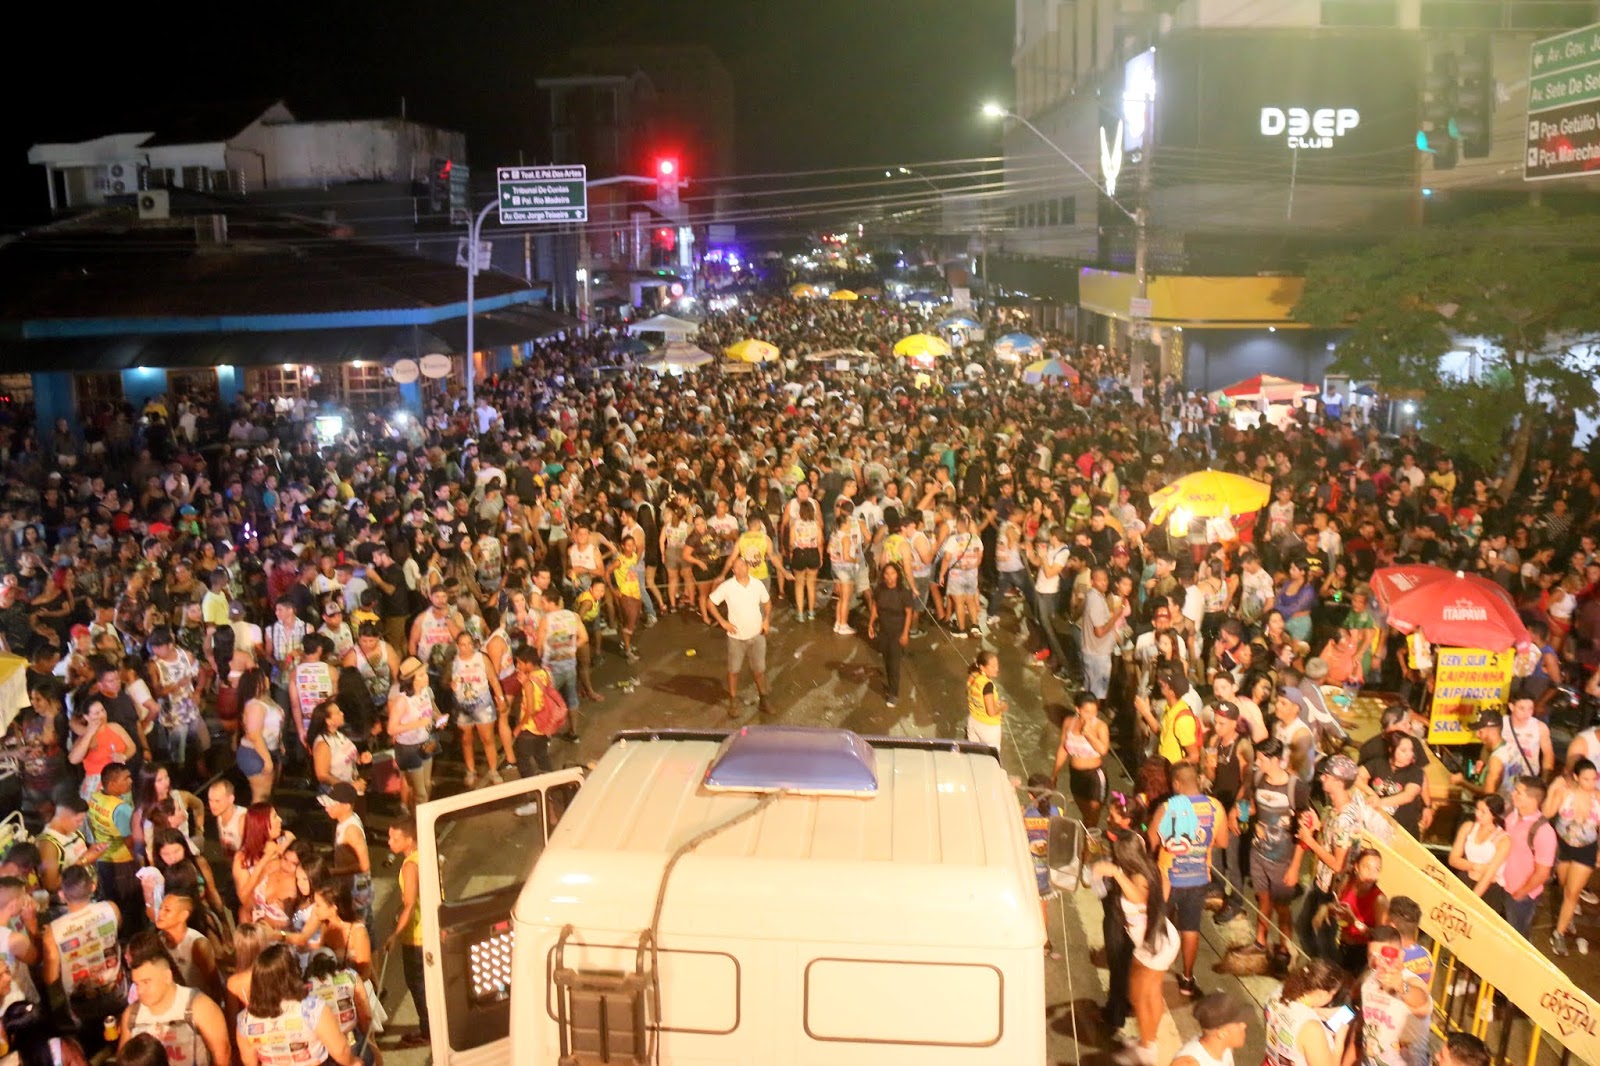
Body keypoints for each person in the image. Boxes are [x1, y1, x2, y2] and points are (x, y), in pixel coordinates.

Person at [1091, 833, 1176, 1066]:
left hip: (1154, 945)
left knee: (1139, 997)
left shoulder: (1136, 876)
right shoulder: (1149, 867)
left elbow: (1139, 897)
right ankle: (1148, 1041)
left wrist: (1116, 874)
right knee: (1151, 993)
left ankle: (1147, 1052)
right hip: (1158, 938)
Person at [1148, 761, 1226, 998]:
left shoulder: (1168, 807)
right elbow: (1223, 842)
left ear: (1176, 783)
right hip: (1199, 878)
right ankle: (1187, 978)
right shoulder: (1215, 807)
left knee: (1158, 924)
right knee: (1191, 928)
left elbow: (1150, 842)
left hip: (1168, 878)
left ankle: (1154, 972)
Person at [42, 865, 125, 1050]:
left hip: (81, 1004)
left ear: (62, 895)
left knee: (91, 1045)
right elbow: (117, 932)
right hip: (116, 991)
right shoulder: (111, 909)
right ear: (93, 887)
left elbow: (50, 978)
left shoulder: (53, 932)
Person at [118, 932, 230, 1066]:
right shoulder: (131, 1015)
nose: (140, 990)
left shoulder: (200, 1007)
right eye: (136, 984)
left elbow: (222, 1053)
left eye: (146, 982)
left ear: (167, 976)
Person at [234, 944, 355, 1066]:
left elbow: (249, 1060)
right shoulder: (313, 1008)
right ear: (292, 974)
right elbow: (341, 1051)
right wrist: (353, 1062)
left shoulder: (244, 1020)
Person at [1247, 737, 1309, 964]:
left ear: (1275, 760)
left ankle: (1284, 948)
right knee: (1263, 899)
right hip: (1258, 852)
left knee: (1282, 907)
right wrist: (1245, 813)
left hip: (1283, 859)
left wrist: (1294, 867)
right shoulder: (1257, 778)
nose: (1257, 763)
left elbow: (1306, 829)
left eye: (1261, 759)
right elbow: (1253, 805)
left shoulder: (1295, 787)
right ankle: (1260, 942)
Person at [381, 819, 429, 1051]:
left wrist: (394, 935)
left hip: (417, 935)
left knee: (418, 984)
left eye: (395, 839)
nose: (390, 842)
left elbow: (410, 904)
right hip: (429, 928)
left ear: (410, 839)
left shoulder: (410, 866)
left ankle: (428, 1031)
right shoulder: (426, 856)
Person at [1544, 757, 1599, 955]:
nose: (1591, 784)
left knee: (1572, 893)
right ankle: (1567, 918)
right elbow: (1547, 812)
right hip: (1563, 847)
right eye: (1586, 779)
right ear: (1576, 777)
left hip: (1586, 849)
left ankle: (1558, 934)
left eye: (1594, 779)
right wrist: (1552, 790)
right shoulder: (1565, 793)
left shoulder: (1598, 797)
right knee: (1564, 885)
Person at [706, 555, 772, 717]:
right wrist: (722, 622)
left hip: (757, 635)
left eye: (743, 565)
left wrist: (766, 620)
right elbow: (710, 602)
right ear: (733, 570)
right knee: (734, 671)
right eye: (736, 567)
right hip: (736, 638)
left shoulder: (757, 584)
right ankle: (733, 702)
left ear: (748, 567)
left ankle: (763, 699)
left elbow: (767, 602)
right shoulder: (727, 586)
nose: (740, 569)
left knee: (759, 671)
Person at [1355, 926, 1431, 1066]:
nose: (1378, 962)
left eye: (1385, 955)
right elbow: (1362, 1029)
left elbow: (1421, 1002)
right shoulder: (1368, 981)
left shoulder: (1412, 982)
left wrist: (1402, 986)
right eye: (1372, 956)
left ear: (1401, 955)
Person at [1492, 775, 1557, 938]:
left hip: (1520, 896)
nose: (1513, 794)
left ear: (1533, 799)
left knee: (1516, 937)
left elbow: (1542, 872)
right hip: (1499, 886)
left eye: (1518, 792)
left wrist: (1520, 894)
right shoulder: (1510, 815)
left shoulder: (1543, 832)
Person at [1262, 958, 1347, 1066]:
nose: (1331, 999)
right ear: (1322, 994)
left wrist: (1317, 1011)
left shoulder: (1278, 993)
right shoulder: (1312, 1029)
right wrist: (1340, 1039)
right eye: (1332, 994)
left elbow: (1289, 1013)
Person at [447, 631, 505, 788]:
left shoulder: (481, 658)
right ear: (457, 646)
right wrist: (452, 685)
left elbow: (493, 679)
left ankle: (493, 770)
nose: (466, 648)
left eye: (469, 644)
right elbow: (447, 682)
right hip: (462, 706)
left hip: (482, 703)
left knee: (487, 739)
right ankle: (470, 770)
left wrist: (500, 698)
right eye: (463, 645)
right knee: (466, 740)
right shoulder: (454, 662)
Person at [386, 657, 444, 811]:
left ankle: (419, 821)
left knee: (426, 785)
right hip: (408, 748)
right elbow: (391, 729)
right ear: (412, 680)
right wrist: (417, 724)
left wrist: (438, 718)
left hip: (425, 741)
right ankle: (418, 827)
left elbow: (429, 712)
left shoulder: (425, 692)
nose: (426, 677)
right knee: (421, 793)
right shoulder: (403, 701)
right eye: (421, 675)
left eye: (425, 673)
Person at [1054, 691, 1110, 828]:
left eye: (1094, 712)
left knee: (1093, 815)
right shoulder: (1069, 722)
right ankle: (1086, 841)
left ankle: (1087, 845)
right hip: (1076, 776)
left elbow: (1103, 750)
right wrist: (1054, 774)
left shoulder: (1100, 726)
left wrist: (1088, 734)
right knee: (1085, 815)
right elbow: (1063, 748)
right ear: (1077, 709)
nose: (1091, 716)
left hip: (1095, 777)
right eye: (1087, 712)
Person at [1357, 732, 1427, 837]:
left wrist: (1380, 802)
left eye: (1411, 750)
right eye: (1404, 750)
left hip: (1403, 829)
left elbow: (1408, 795)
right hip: (1377, 826)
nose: (1410, 754)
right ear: (1391, 749)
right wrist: (1371, 793)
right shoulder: (1378, 763)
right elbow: (1357, 777)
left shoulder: (1415, 772)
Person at [865, 561, 915, 709]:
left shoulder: (904, 593)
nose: (889, 577)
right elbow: (875, 606)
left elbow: (908, 614)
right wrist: (871, 623)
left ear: (898, 575)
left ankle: (894, 693)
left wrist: (905, 633)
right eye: (886, 574)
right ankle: (891, 684)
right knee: (886, 660)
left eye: (892, 573)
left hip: (898, 631)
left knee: (894, 663)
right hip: (884, 630)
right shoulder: (880, 590)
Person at [1446, 794, 1510, 897]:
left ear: (1494, 815)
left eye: (1483, 812)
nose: (1477, 814)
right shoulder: (1468, 827)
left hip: (1488, 889)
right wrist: (1474, 866)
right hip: (1465, 878)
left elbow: (1489, 875)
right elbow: (1453, 859)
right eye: (1477, 809)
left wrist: (1473, 898)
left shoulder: (1503, 839)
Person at [1170, 992, 1251, 1066]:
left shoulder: (1226, 1048)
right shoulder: (1188, 1063)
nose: (1244, 1025)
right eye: (1238, 1023)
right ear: (1222, 1033)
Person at [964, 651, 1006, 749]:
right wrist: (1002, 707)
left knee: (974, 754)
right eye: (993, 666)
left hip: (973, 722)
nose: (997, 669)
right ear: (982, 667)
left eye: (997, 665)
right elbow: (991, 712)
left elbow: (969, 693)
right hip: (988, 727)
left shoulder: (973, 676)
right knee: (992, 758)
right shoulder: (987, 685)